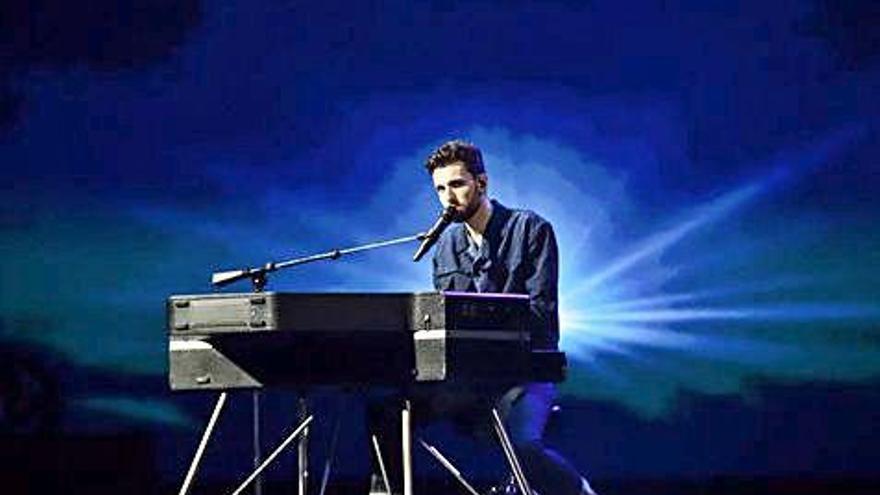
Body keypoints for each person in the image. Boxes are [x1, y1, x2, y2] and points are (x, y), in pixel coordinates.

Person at [368, 140, 596, 495]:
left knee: (522, 446)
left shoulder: (531, 229)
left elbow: (540, 313)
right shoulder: (444, 247)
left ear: (482, 183)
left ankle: (578, 490)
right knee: (387, 414)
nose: (448, 197)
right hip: (469, 376)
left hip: (524, 372)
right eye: (440, 189)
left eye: (457, 185)